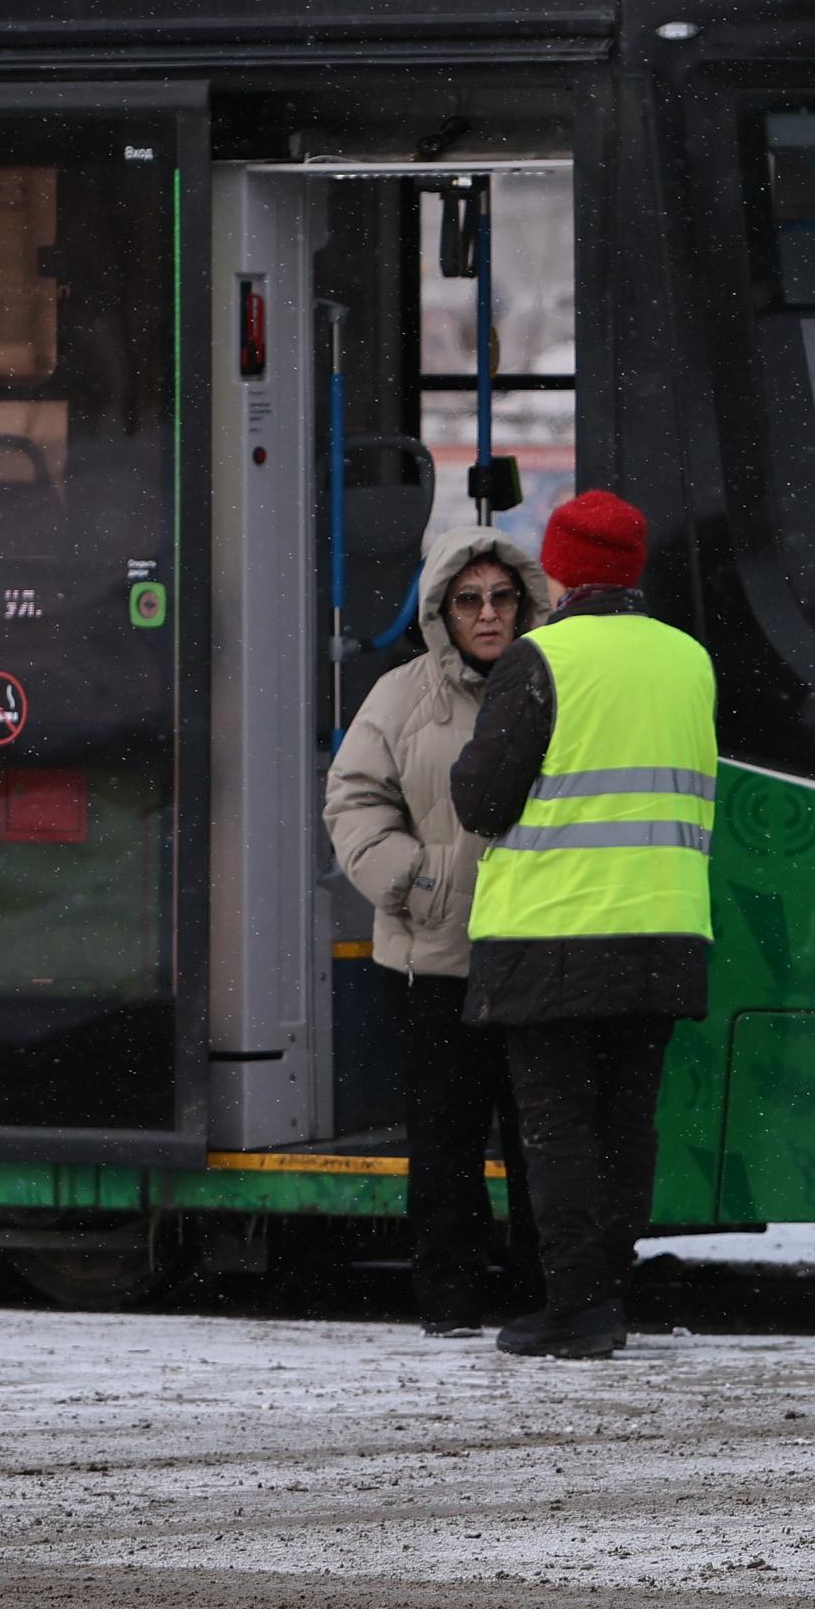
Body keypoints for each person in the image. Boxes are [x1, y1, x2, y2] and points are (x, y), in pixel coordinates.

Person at [454, 488, 717, 1359]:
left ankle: (576, 1308)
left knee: (557, 1125)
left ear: (559, 568)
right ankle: (608, 1292)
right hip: (665, 929)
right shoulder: (688, 660)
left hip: (555, 933)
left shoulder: (541, 660)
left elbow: (483, 801)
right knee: (625, 1123)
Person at [323, 523, 550, 1333]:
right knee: (446, 1144)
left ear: (526, 602)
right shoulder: (400, 696)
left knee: (540, 1144)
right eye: (468, 601)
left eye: (501, 598)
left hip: (536, 952)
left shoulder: (555, 686)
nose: (488, 615)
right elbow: (353, 801)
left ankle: (541, 1300)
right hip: (432, 957)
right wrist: (417, 881)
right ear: (441, 612)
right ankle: (450, 1302)